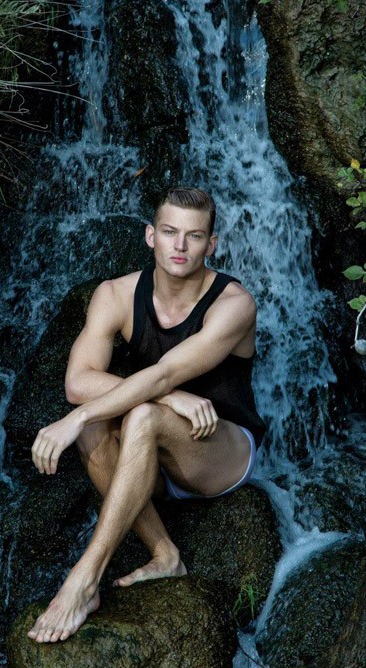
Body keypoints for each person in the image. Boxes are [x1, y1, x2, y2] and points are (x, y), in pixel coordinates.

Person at [27, 187, 266, 643]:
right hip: (149, 457)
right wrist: (173, 398)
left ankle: (84, 579)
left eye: (194, 236)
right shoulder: (115, 294)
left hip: (222, 450)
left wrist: (83, 415)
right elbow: (78, 382)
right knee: (97, 423)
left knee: (134, 416)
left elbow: (163, 374)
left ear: (212, 244)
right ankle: (165, 555)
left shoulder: (234, 305)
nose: (180, 246)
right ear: (150, 236)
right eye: (170, 232)